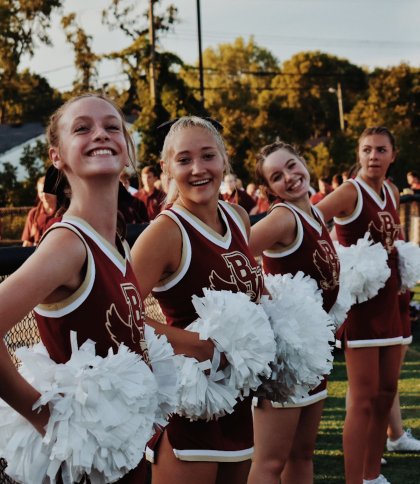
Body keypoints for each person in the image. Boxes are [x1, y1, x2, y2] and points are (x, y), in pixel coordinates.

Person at [0, 93, 151, 483]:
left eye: (112, 127)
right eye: (82, 128)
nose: (101, 134)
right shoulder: (68, 244)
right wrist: (43, 414)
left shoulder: (119, 241)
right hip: (83, 461)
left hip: (123, 456)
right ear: (57, 156)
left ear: (126, 148)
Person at [131, 116, 264, 484]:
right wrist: (198, 345)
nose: (197, 169)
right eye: (184, 159)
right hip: (190, 408)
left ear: (224, 160)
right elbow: (120, 315)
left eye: (208, 156)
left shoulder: (238, 217)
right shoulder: (165, 231)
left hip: (237, 404)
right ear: (166, 168)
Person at [247, 141, 340, 484]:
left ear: (303, 160)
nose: (289, 177)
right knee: (270, 462)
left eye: (291, 165)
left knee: (302, 454)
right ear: (269, 189)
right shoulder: (283, 218)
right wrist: (266, 296)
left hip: (311, 353)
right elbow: (232, 257)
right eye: (276, 176)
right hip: (285, 359)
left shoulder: (314, 212)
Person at [317, 127, 403, 484]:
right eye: (366, 150)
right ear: (359, 153)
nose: (373, 156)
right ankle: (355, 480)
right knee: (364, 397)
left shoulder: (393, 191)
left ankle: (372, 475)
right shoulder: (350, 191)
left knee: (386, 393)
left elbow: (393, 238)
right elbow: (311, 221)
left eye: (381, 150)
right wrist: (336, 262)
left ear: (392, 155)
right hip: (362, 306)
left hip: (391, 302)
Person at [21, 176, 58, 246]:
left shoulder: (65, 213)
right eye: (41, 192)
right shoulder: (33, 214)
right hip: (38, 254)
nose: (44, 194)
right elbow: (28, 242)